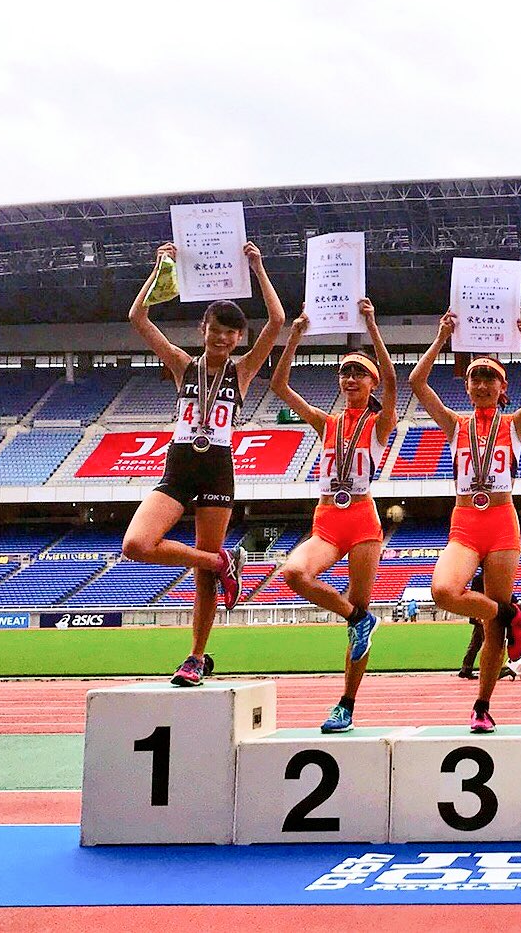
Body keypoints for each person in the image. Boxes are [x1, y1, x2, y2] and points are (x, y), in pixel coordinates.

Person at [122, 242, 283, 687]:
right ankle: (218, 562)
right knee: (136, 544)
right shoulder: (181, 364)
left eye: (232, 333)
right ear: (203, 328)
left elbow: (277, 322)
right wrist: (160, 269)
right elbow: (139, 318)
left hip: (217, 468)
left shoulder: (244, 370)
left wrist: (258, 265)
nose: (223, 338)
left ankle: (195, 657)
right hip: (178, 466)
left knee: (202, 576)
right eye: (216, 329)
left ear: (239, 338)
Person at [410, 308, 521, 732]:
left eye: (489, 378)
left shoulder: (513, 424)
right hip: (464, 521)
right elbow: (418, 383)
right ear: (467, 385)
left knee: (492, 630)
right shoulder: (455, 425)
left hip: (501, 519)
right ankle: (512, 612)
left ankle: (483, 706)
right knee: (444, 591)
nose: (481, 385)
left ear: (502, 386)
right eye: (474, 378)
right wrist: (440, 338)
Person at [271, 300, 396, 733]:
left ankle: (346, 704)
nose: (350, 379)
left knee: (359, 608)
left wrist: (373, 328)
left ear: (371, 381)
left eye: (358, 373)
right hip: (327, 518)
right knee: (294, 574)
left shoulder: (379, 422)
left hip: (362, 520)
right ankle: (359, 620)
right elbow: (280, 385)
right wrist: (296, 334)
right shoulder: (326, 422)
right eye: (345, 373)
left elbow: (395, 382)